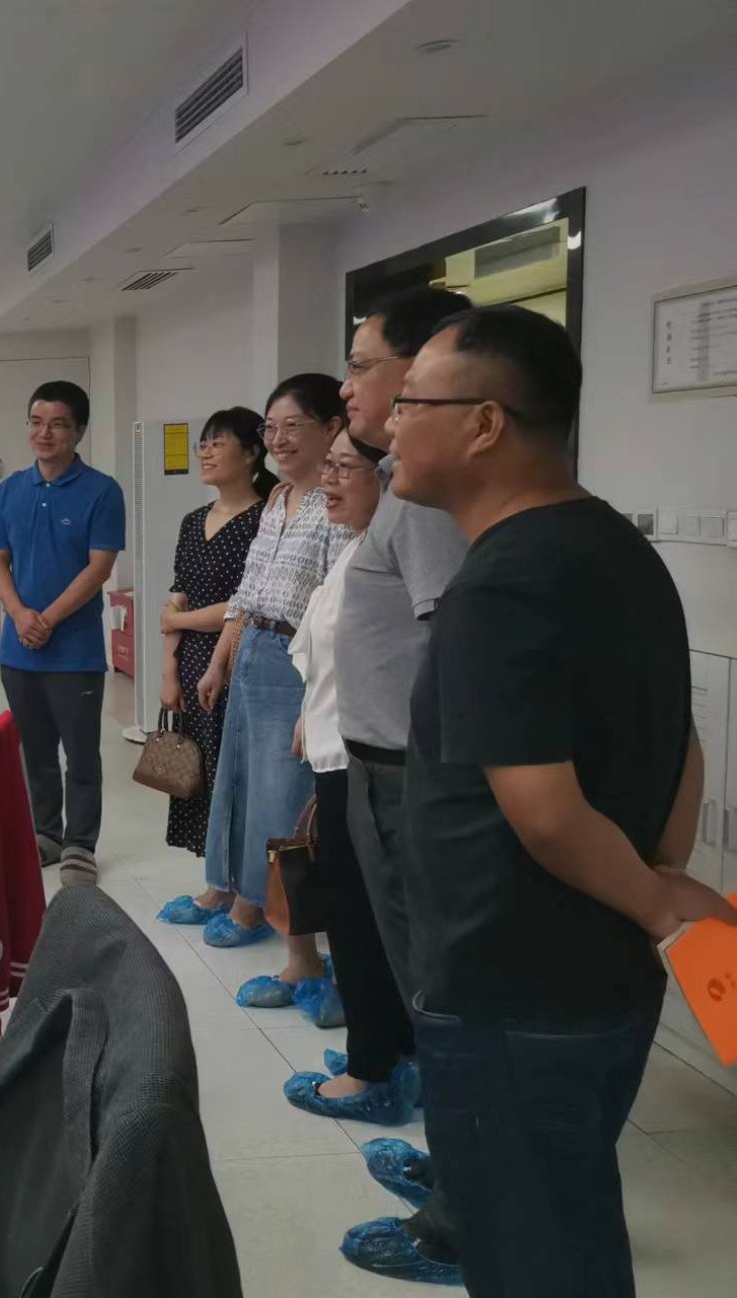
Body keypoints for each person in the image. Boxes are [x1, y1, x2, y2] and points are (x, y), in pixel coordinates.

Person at [391, 304, 737, 1296]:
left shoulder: (500, 585)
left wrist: (658, 900)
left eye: (410, 401)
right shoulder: (614, 546)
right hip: (597, 977)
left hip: (512, 986)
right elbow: (680, 744)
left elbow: (544, 811)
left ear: (483, 424)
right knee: (566, 1224)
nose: (388, 426)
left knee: (534, 1255)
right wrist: (656, 878)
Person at [324, 286, 475, 1285]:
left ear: (422, 376)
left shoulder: (422, 506)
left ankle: (459, 1213)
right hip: (379, 769)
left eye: (362, 364)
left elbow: (455, 654)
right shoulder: (401, 492)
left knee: (444, 994)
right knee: (426, 987)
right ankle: (455, 1167)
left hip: (412, 779)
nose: (348, 385)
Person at [158, 375, 352, 1009]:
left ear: (332, 428)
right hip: (252, 653)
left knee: (284, 808)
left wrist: (319, 698)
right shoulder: (279, 502)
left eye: (293, 426)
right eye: (272, 428)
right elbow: (247, 596)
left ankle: (301, 956)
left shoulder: (337, 503)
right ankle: (244, 902)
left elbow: (338, 609)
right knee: (235, 788)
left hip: (299, 662)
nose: (279, 439)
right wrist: (220, 661)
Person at [271, 427, 423, 1125]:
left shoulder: (394, 554)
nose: (327, 482)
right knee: (356, 914)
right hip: (336, 751)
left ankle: (372, 1072)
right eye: (326, 468)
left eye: (343, 469)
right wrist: (310, 713)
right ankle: (385, 1048)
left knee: (360, 921)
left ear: (386, 478)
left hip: (363, 760)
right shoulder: (356, 550)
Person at [0, 380, 125, 887]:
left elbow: (99, 568)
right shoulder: (10, 490)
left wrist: (46, 619)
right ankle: (46, 833)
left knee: (81, 753)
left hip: (75, 652)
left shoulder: (102, 491)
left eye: (58, 424)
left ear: (79, 431)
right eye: (36, 422)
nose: (44, 433)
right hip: (18, 649)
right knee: (35, 750)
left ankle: (80, 844)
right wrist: (19, 614)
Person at [158, 408, 273, 856]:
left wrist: (178, 621)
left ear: (251, 453)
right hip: (190, 663)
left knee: (235, 772)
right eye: (202, 444)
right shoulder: (193, 520)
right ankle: (213, 876)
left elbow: (243, 603)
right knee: (198, 770)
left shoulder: (265, 519)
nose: (205, 452)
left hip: (237, 660)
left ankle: (237, 874)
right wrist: (168, 671)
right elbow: (178, 594)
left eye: (218, 443)